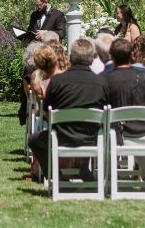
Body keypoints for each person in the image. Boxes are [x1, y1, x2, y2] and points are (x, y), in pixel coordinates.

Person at [26, 39, 110, 181]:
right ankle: (83, 170)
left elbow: (47, 112)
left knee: (34, 140)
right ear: (92, 59)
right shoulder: (102, 82)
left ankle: (57, 176)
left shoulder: (57, 81)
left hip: (62, 137)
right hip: (92, 138)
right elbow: (106, 112)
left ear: (71, 58)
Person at [105, 38, 145, 180]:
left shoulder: (106, 79)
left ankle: (110, 176)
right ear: (131, 55)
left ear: (112, 57)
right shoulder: (143, 76)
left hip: (118, 136)